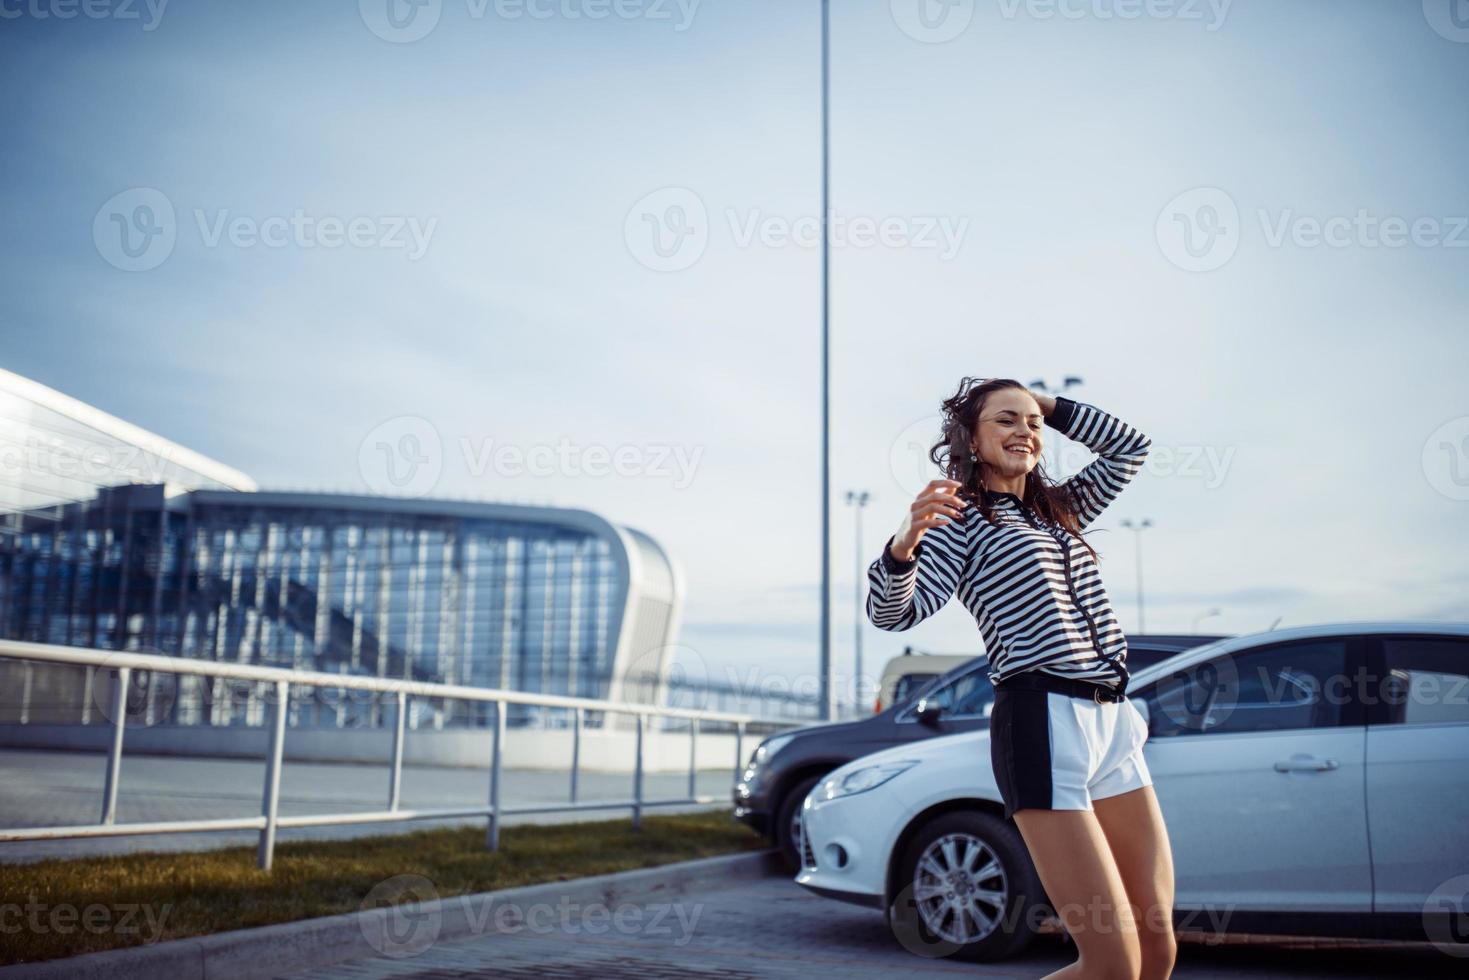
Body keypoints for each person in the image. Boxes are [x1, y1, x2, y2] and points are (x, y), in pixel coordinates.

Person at [867, 376, 1176, 979]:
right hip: (1043, 720)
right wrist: (904, 544)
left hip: (1113, 720)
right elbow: (893, 612)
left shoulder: (1059, 510)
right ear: (971, 436)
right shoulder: (962, 517)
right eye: (1005, 420)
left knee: (1157, 947)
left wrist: (1046, 402)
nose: (1024, 431)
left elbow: (1130, 448)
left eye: (1032, 423)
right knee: (1112, 964)